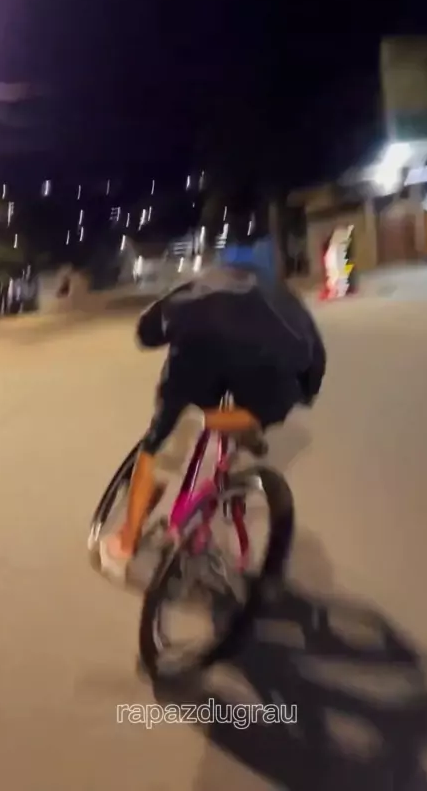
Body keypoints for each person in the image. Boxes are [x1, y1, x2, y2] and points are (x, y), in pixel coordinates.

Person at [98, 235, 326, 582]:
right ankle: (232, 424)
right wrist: (289, 398)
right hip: (272, 357)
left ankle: (126, 543)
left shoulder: (205, 283)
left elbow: (148, 330)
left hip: (202, 344)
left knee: (159, 444)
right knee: (262, 406)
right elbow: (313, 365)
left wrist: (152, 335)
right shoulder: (286, 299)